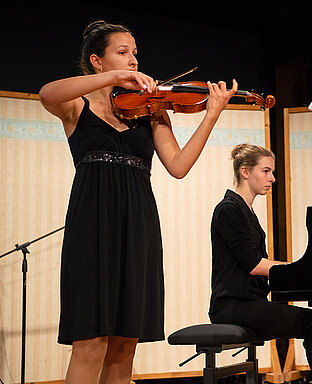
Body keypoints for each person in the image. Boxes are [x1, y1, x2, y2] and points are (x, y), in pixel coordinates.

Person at [39, 20, 237, 384]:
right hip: (92, 223)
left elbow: (178, 166)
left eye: (135, 54)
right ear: (97, 61)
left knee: (125, 343)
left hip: (138, 224)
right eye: (123, 53)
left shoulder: (149, 109)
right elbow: (46, 93)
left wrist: (211, 115)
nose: (133, 61)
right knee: (90, 341)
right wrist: (111, 80)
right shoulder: (76, 107)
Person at [209, 144, 312, 384]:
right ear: (245, 171)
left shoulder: (246, 211)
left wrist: (299, 273)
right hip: (231, 306)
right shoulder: (228, 209)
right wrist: (299, 269)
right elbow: (253, 264)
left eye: (272, 172)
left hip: (250, 302)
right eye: (266, 171)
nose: (273, 178)